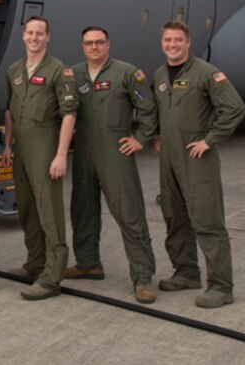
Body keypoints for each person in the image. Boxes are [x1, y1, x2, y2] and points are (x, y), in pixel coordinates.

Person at [152, 20, 245, 308]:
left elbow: (234, 107)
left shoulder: (207, 73)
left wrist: (210, 139)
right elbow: (164, 110)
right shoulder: (159, 75)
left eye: (178, 40)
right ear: (162, 42)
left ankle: (221, 286)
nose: (172, 45)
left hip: (197, 159)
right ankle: (186, 272)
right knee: (175, 217)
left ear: (188, 42)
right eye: (168, 40)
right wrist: (157, 134)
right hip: (168, 159)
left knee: (207, 221)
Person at [66, 25, 158, 304]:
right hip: (83, 150)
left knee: (129, 212)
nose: (94, 47)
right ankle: (88, 264)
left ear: (108, 44)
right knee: (82, 209)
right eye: (89, 43)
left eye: (99, 42)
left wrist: (140, 138)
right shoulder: (74, 74)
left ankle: (142, 277)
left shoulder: (128, 73)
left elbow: (148, 108)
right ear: (83, 46)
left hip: (115, 150)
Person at [0, 16, 78, 301]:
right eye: (30, 33)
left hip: (45, 146)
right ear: (23, 36)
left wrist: (60, 155)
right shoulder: (15, 70)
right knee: (28, 209)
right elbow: (9, 110)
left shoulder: (59, 71)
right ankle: (34, 263)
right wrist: (7, 145)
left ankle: (52, 276)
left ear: (48, 37)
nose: (34, 37)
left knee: (49, 212)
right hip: (20, 149)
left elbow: (69, 114)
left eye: (39, 33)